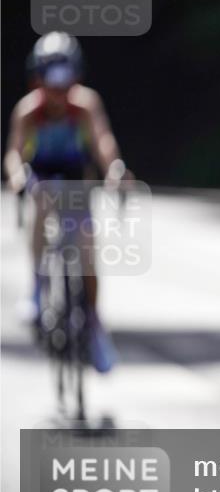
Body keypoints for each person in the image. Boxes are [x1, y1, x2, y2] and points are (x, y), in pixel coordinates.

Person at [4, 31, 128, 373]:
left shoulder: (85, 105)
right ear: (38, 79)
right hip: (42, 175)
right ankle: (36, 288)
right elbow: (14, 153)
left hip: (76, 178)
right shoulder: (29, 111)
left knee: (87, 251)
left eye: (65, 80)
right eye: (51, 80)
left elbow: (103, 142)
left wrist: (114, 168)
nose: (58, 92)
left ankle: (95, 326)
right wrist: (16, 176)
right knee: (40, 204)